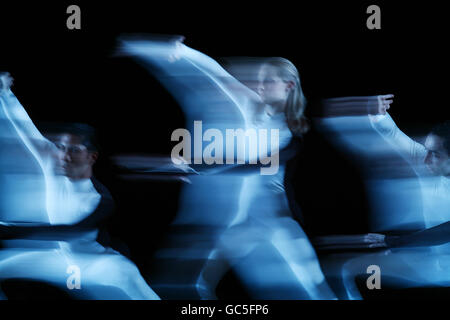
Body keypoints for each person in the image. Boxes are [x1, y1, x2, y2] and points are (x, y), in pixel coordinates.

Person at [120, 37, 337, 299]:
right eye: (257, 80)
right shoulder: (252, 117)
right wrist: (184, 52)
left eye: (267, 81)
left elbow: (255, 164)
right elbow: (218, 78)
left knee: (309, 292)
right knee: (180, 285)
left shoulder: (289, 133)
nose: (258, 86)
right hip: (231, 224)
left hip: (271, 225)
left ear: (288, 86)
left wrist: (193, 167)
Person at [0, 72, 160, 299]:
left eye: (74, 150)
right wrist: (6, 93)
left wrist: (9, 229)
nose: (63, 156)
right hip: (42, 259)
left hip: (89, 265)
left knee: (124, 273)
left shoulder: (100, 198)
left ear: (92, 157)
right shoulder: (51, 169)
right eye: (61, 149)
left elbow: (72, 230)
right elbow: (26, 131)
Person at [334, 94, 450, 299]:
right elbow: (393, 134)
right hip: (430, 265)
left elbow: (446, 231)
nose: (426, 159)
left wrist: (396, 242)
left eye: (436, 154)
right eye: (427, 150)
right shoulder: (427, 163)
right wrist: (378, 114)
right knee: (352, 271)